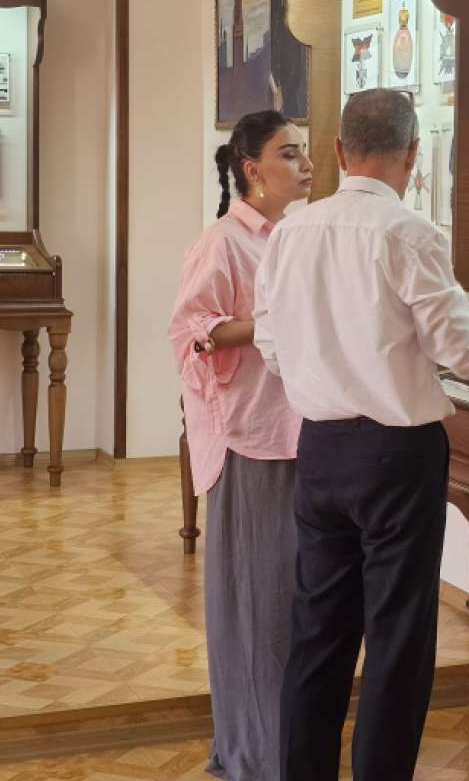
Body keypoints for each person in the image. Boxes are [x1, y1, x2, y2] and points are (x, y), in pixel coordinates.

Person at [254, 88, 469, 781]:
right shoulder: (409, 233)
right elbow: (465, 353)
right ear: (414, 155)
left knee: (318, 635)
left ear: (339, 151)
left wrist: (329, 367)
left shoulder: (291, 233)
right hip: (397, 455)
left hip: (320, 449)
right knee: (397, 640)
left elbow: (271, 347)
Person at [168, 109, 314, 781]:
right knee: (256, 609)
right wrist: (267, 322)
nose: (305, 164)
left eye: (305, 151)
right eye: (290, 153)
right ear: (253, 169)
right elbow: (190, 333)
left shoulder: (298, 237)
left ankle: (283, 747)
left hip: (302, 434)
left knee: (290, 606)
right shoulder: (223, 242)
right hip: (250, 440)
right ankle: (255, 756)